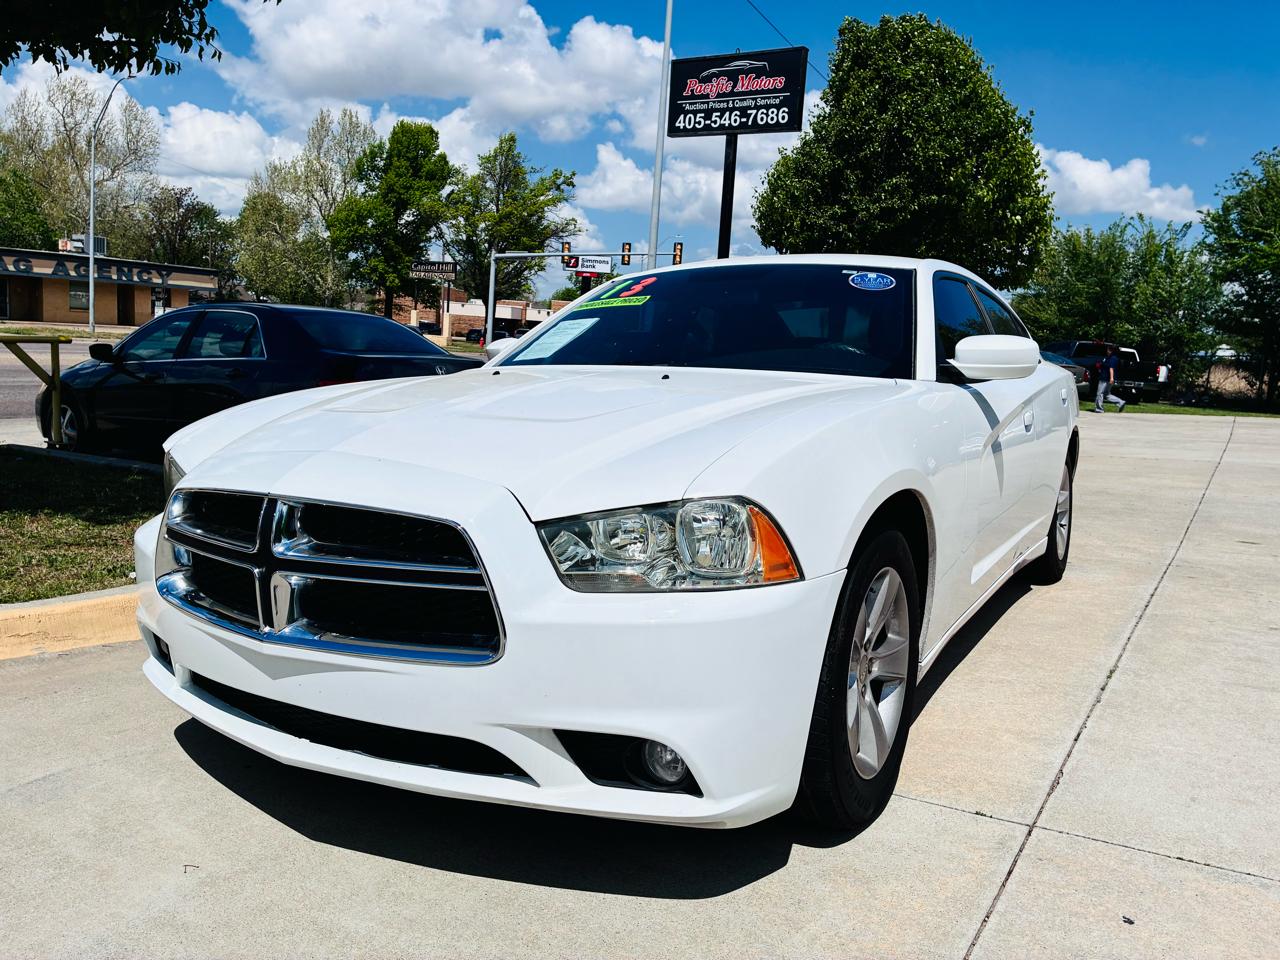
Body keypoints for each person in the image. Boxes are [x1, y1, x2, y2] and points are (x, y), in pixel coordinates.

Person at [1094, 343, 1127, 412]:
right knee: (1106, 394)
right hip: (1108, 378)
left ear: (1111, 351)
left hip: (1105, 378)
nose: (1107, 351)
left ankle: (1099, 409)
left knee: (1100, 393)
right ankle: (1120, 402)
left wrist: (1111, 378)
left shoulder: (1112, 358)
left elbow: (1111, 368)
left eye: (1108, 350)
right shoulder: (1111, 358)